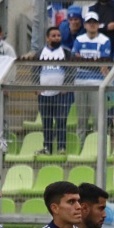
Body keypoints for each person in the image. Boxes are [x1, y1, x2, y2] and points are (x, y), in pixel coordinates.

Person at [72, 11, 111, 142]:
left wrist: (85, 62)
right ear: (85, 25)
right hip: (80, 82)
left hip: (97, 84)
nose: (92, 25)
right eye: (90, 22)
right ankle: (80, 146)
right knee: (81, 119)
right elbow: (75, 60)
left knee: (97, 118)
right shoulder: (79, 39)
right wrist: (96, 63)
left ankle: (97, 148)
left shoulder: (105, 40)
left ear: (99, 24)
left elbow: (104, 61)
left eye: (95, 22)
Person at [38, 26, 71, 155]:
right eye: (54, 36)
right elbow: (34, 70)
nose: (57, 38)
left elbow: (71, 70)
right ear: (47, 38)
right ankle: (47, 147)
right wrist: (36, 87)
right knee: (46, 121)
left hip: (60, 94)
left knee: (61, 120)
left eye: (59, 35)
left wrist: (66, 85)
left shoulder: (66, 53)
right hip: (44, 94)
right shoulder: (40, 52)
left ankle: (61, 148)